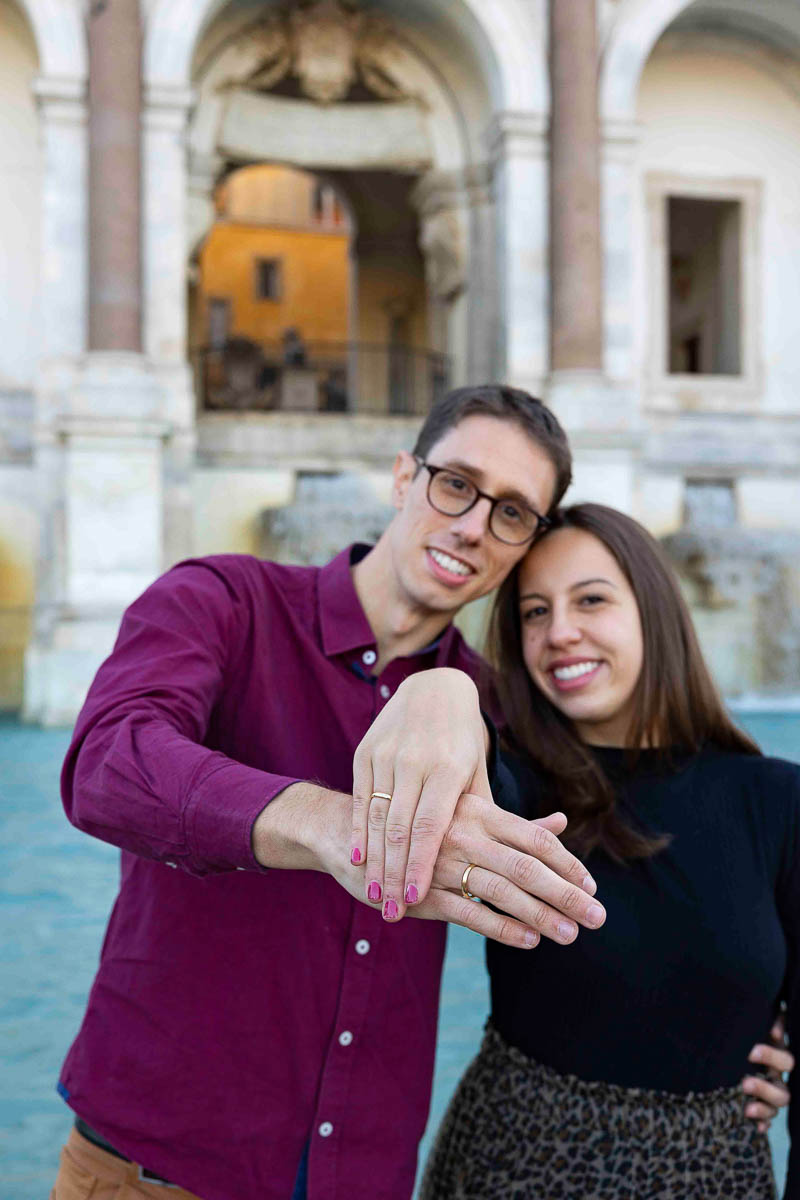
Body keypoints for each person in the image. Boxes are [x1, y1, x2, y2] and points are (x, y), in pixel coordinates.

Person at [51, 386, 608, 1200]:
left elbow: (612, 866)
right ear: (403, 476)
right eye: (456, 484)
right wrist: (329, 822)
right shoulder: (223, 599)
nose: (473, 526)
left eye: (513, 513)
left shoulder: (497, 709)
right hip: (151, 1174)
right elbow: (106, 761)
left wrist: (749, 1028)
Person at [415, 503, 798, 1198]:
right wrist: (440, 690)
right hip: (510, 1168)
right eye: (534, 612)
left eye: (590, 599)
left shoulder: (778, 800)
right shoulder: (514, 785)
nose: (560, 632)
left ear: (655, 610)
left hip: (714, 1177)